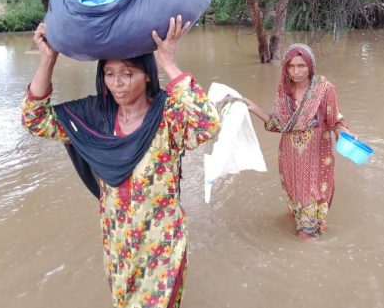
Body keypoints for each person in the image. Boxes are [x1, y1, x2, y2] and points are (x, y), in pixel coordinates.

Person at [21, 16, 219, 308]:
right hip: (118, 243)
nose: (117, 83)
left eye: (127, 73)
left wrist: (168, 62)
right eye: (109, 73)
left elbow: (207, 124)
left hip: (161, 243)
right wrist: (48, 59)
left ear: (147, 75)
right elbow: (34, 120)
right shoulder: (95, 117)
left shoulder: (167, 115)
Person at [244, 43, 349, 240]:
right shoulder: (285, 89)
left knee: (306, 232)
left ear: (311, 66)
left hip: (316, 159)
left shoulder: (325, 89)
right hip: (290, 158)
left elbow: (336, 121)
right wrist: (253, 108)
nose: (296, 71)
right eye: (291, 66)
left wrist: (342, 133)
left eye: (302, 66)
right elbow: (279, 124)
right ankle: (314, 222)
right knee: (293, 210)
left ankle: (310, 240)